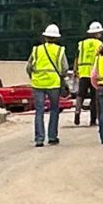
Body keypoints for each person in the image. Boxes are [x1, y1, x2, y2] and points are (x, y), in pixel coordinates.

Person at [26, 21, 69, 149]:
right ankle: (52, 137)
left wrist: (33, 77)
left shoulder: (36, 50)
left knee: (39, 111)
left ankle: (39, 139)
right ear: (56, 38)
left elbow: (29, 67)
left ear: (45, 37)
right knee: (54, 110)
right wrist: (61, 77)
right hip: (53, 84)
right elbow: (64, 68)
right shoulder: (59, 50)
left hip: (38, 83)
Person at [72, 20, 103, 128]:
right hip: (94, 74)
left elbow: (77, 58)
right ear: (97, 33)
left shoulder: (82, 44)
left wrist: (75, 70)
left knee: (80, 95)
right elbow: (101, 59)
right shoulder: (100, 44)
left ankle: (77, 112)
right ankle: (93, 120)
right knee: (94, 98)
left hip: (83, 73)